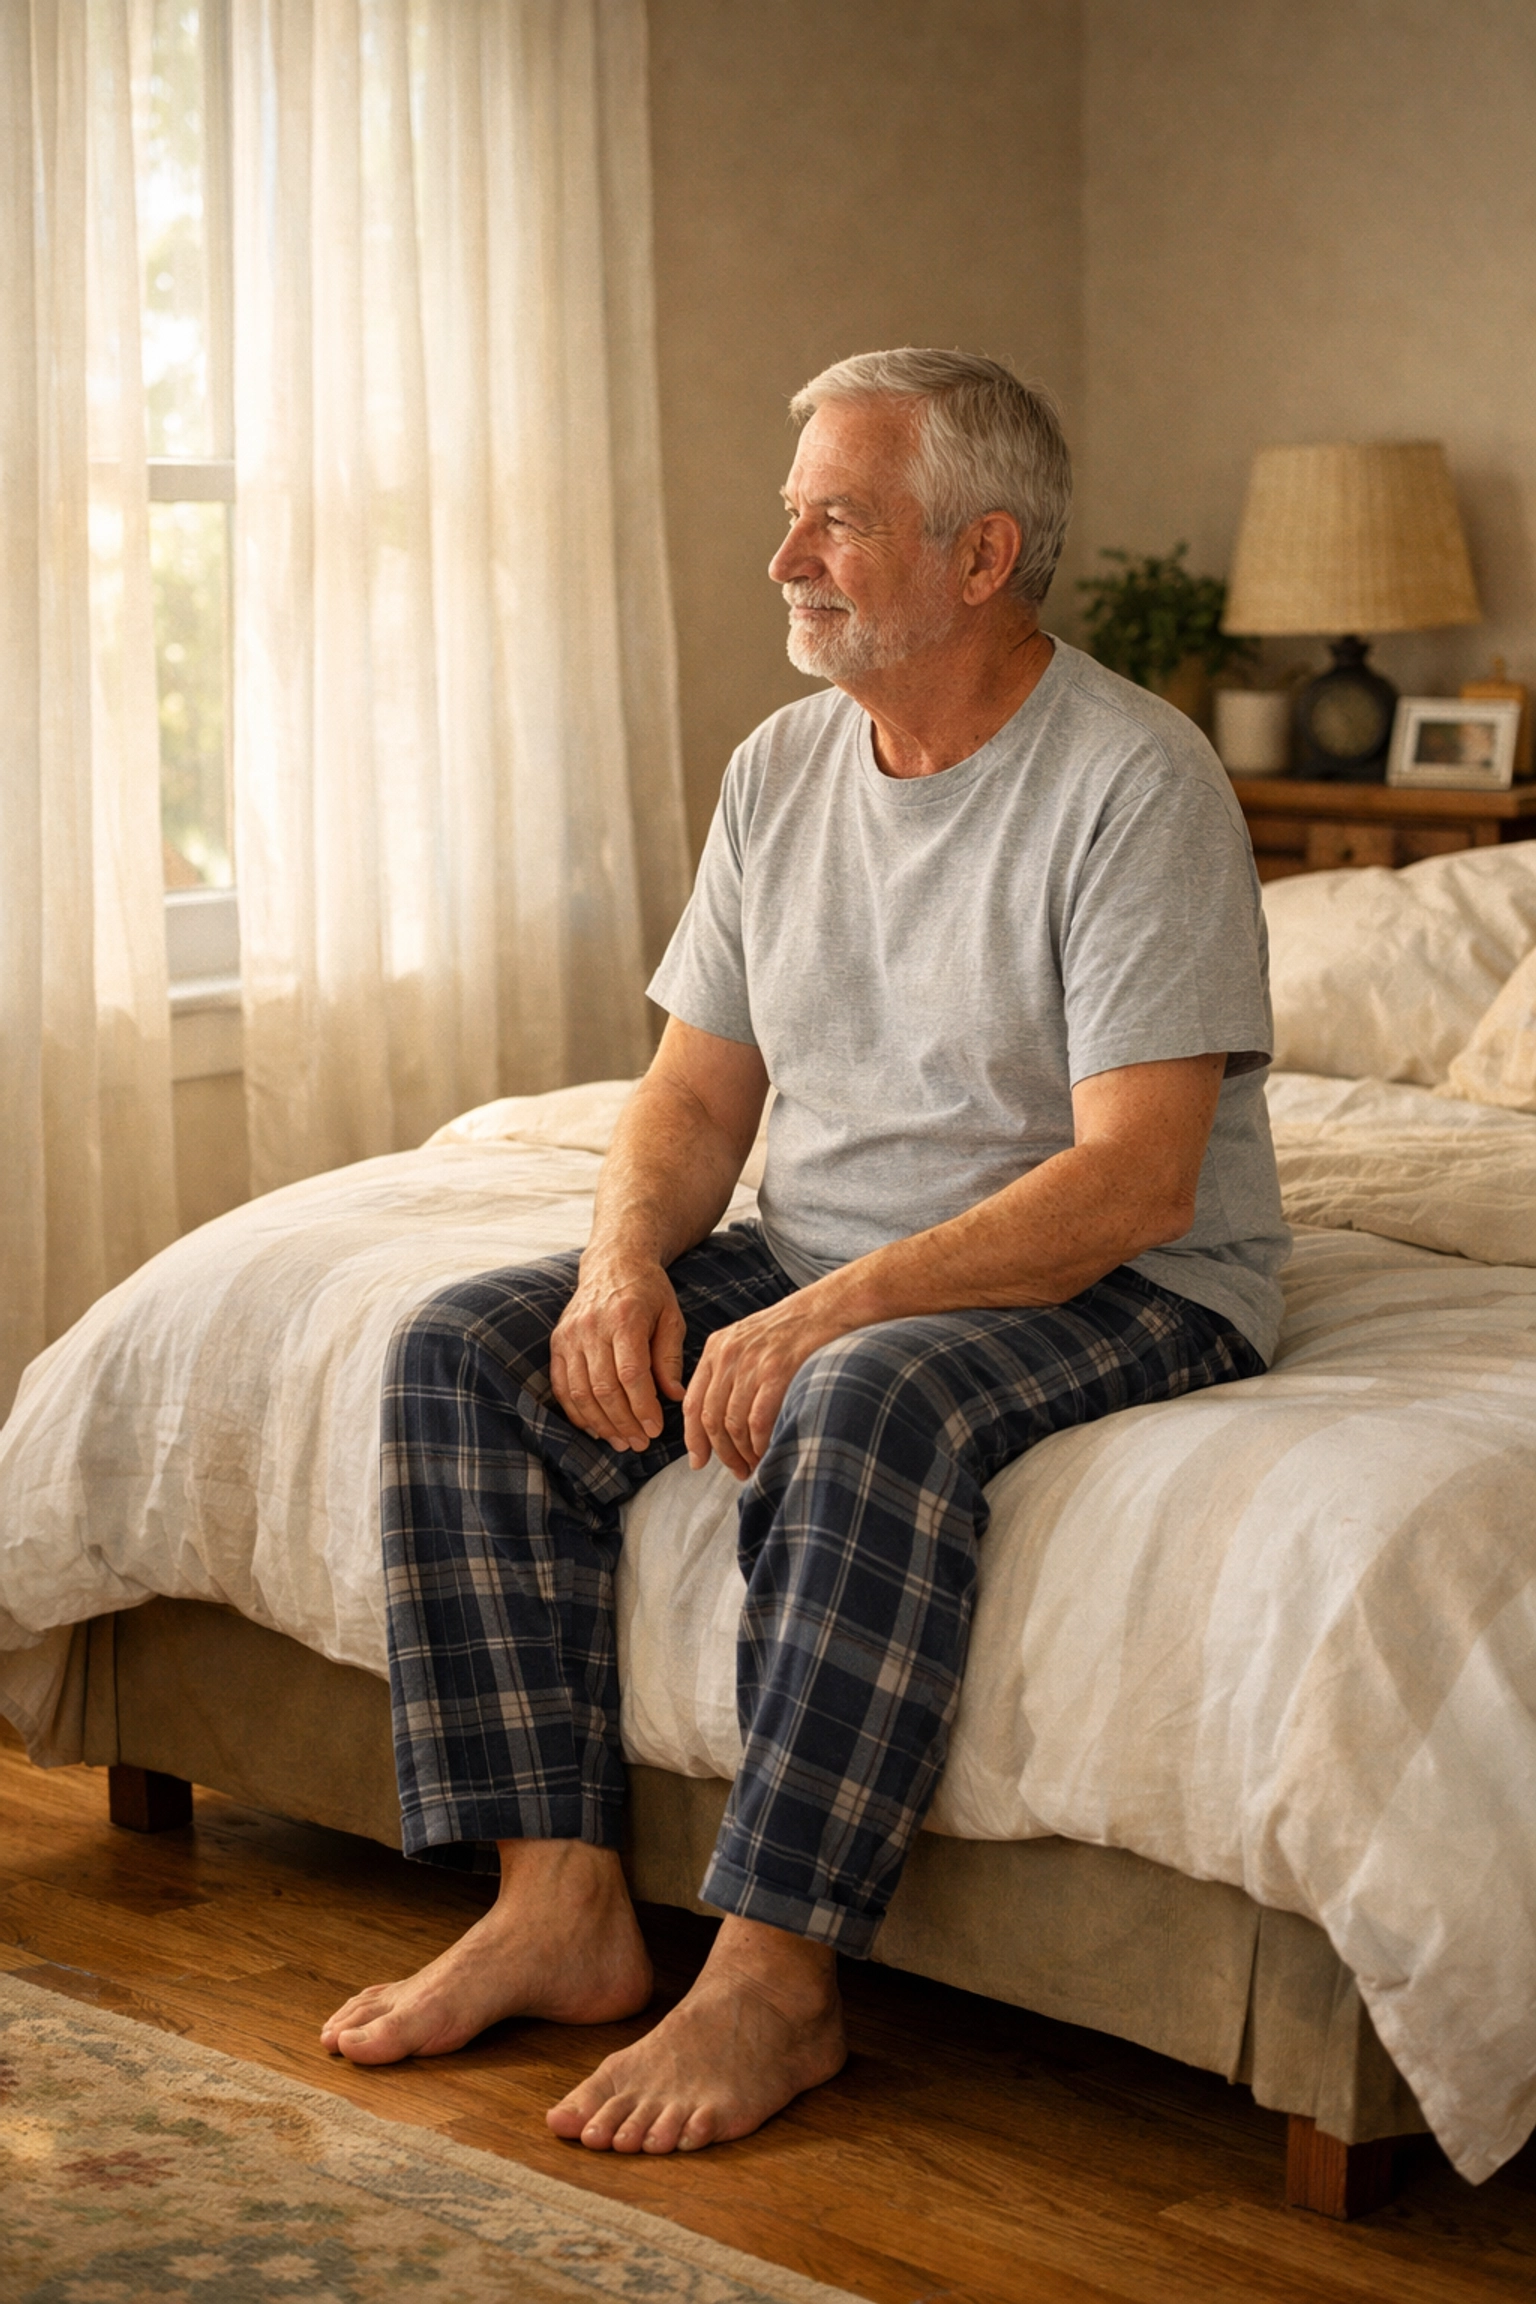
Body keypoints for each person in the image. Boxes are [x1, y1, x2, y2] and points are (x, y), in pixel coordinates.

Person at [320, 347, 1288, 2157]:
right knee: (465, 1348)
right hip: (835, 1240)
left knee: (862, 1398)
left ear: (982, 555)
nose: (786, 560)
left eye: (834, 520)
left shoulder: (1134, 784)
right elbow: (692, 1106)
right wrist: (624, 1273)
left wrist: (831, 1307)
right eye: (796, 517)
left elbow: (1139, 1181)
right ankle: (560, 1903)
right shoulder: (782, 769)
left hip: (1133, 1276)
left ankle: (772, 1979)